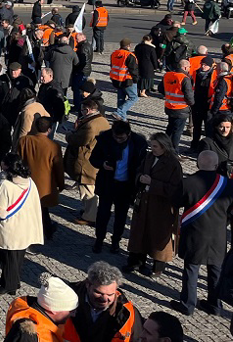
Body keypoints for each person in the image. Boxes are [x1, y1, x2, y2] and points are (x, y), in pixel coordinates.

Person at [171, 150, 231, 316]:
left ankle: (187, 305)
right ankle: (215, 305)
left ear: (198, 163)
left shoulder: (188, 183)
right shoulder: (228, 184)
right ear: (216, 165)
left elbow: (175, 202)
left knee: (191, 269)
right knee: (216, 270)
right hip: (218, 234)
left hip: (195, 233)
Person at [0, 155, 43, 296]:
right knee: (18, 257)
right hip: (24, 225)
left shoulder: (4, 185)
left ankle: (7, 286)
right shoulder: (29, 182)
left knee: (8, 258)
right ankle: (14, 282)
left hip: (10, 227)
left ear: (6, 166)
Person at [126, 133, 182, 277]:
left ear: (164, 146)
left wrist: (152, 183)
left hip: (161, 206)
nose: (152, 149)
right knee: (140, 232)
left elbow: (175, 188)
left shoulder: (173, 164)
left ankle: (157, 267)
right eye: (152, 146)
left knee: (158, 235)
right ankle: (136, 261)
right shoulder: (150, 157)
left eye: (155, 146)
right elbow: (139, 172)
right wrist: (140, 179)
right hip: (145, 202)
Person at [90, 120, 148, 254]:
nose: (117, 140)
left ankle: (115, 241)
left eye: (121, 138)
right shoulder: (105, 139)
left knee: (121, 216)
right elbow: (93, 159)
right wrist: (102, 164)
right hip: (108, 184)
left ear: (128, 134)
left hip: (126, 186)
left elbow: (141, 164)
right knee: (103, 214)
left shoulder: (138, 144)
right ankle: (99, 239)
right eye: (115, 137)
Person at [16, 117, 64, 240]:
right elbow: (58, 168)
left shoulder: (24, 141)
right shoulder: (53, 146)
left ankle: (39, 230)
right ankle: (47, 230)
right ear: (49, 129)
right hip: (44, 186)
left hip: (26, 182)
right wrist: (61, 184)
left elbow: (17, 161)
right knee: (42, 209)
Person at [65, 98, 111, 226]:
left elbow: (79, 139)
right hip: (93, 160)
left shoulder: (91, 125)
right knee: (89, 188)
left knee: (87, 190)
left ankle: (90, 216)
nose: (81, 112)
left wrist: (70, 134)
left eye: (82, 110)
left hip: (86, 162)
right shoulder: (102, 120)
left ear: (89, 110)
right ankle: (88, 212)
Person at [70, 261, 142, 342]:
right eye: (98, 293)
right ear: (88, 284)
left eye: (110, 294)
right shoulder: (65, 298)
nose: (104, 299)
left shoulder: (128, 313)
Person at [3, 275, 79, 342]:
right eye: (71, 310)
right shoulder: (28, 336)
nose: (74, 314)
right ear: (54, 310)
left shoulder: (30, 305)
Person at [161, 58, 194, 152]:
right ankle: (174, 151)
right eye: (189, 67)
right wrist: (192, 104)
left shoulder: (167, 75)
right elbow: (189, 96)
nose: (189, 69)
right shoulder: (185, 79)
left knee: (170, 127)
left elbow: (161, 88)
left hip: (169, 106)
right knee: (177, 131)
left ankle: (164, 146)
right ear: (184, 67)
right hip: (181, 109)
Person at [109, 39, 139, 121]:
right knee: (133, 98)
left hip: (116, 79)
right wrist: (136, 80)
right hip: (127, 80)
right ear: (129, 45)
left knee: (121, 98)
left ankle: (122, 119)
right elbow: (133, 70)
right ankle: (119, 112)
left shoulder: (114, 54)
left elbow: (112, 65)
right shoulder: (129, 55)